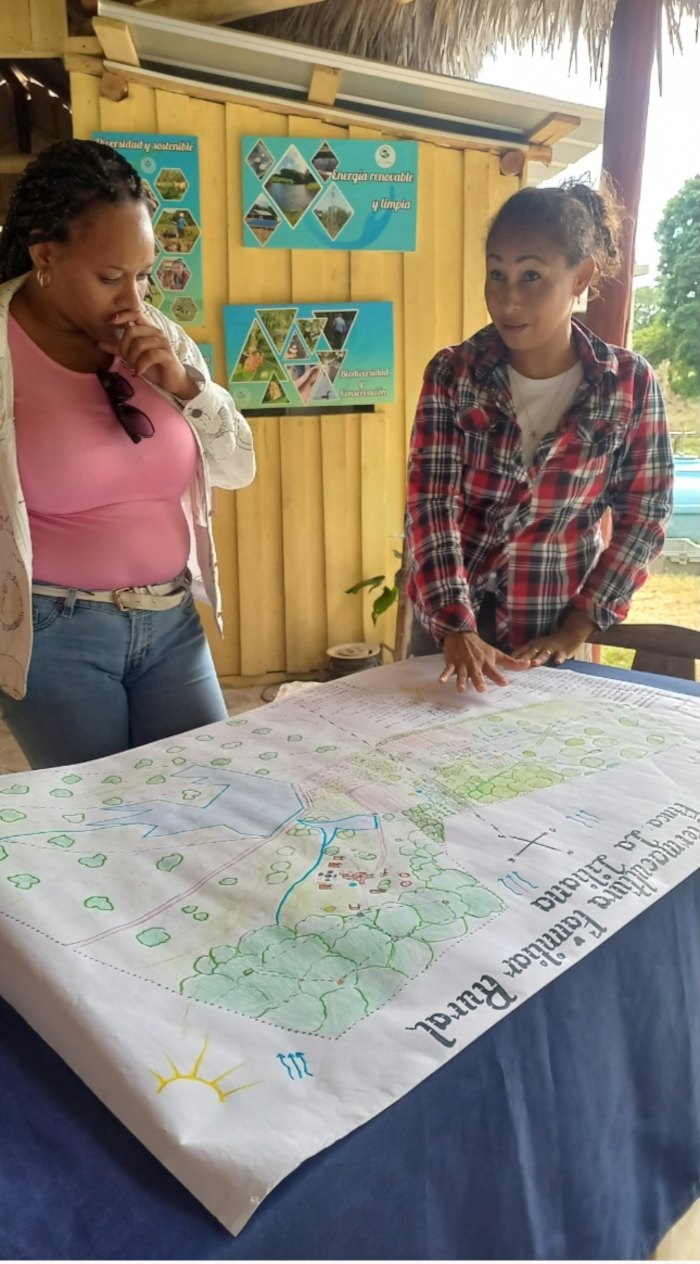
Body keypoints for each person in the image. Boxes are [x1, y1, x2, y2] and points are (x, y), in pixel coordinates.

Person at [0, 138, 255, 768]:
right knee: (105, 829)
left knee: (206, 805)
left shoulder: (158, 337)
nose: (133, 301)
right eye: (111, 278)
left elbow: (237, 467)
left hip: (172, 624)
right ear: (44, 256)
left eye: (143, 276)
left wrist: (187, 388)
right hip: (54, 637)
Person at [405, 179, 673, 695]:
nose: (508, 298)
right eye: (496, 274)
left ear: (581, 277)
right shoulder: (454, 374)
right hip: (452, 636)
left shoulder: (627, 383)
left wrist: (577, 628)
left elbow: (645, 515)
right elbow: (429, 505)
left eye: (532, 275)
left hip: (553, 639)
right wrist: (455, 624)